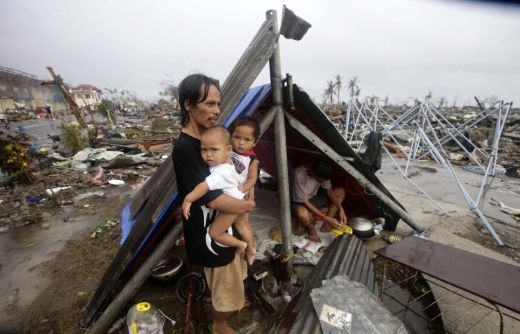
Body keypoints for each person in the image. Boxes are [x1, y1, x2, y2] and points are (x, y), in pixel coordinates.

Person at [171, 73, 253, 334]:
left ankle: (223, 315)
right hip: (210, 237)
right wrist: (247, 206)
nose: (216, 110)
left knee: (233, 280)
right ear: (187, 105)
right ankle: (219, 323)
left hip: (224, 229)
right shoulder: (186, 148)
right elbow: (214, 200)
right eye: (209, 104)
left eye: (218, 104)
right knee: (225, 290)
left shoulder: (208, 140)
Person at [181, 125, 256, 265]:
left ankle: (241, 245)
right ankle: (251, 249)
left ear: (228, 149)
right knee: (242, 226)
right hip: (239, 200)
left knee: (215, 233)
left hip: (232, 206)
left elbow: (203, 186)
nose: (208, 154)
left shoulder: (220, 172)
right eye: (204, 149)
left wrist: (188, 199)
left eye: (214, 150)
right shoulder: (227, 162)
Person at [291, 160, 347, 242]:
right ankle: (311, 228)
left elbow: (329, 191)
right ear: (312, 173)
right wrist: (326, 218)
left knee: (340, 191)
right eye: (320, 180)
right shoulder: (299, 175)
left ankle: (326, 224)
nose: (322, 182)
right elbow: (304, 202)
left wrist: (341, 209)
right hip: (298, 202)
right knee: (302, 212)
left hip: (312, 198)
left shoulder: (321, 170)